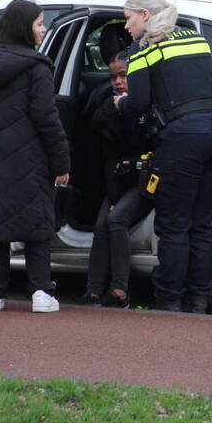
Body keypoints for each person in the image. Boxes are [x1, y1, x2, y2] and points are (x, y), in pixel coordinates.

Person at [115, 0, 212, 313]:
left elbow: (138, 103)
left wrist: (120, 103)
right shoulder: (196, 38)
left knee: (173, 224)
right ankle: (198, 300)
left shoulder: (144, 49)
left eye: (127, 18)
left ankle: (169, 302)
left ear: (143, 15)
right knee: (201, 221)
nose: (126, 26)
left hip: (184, 138)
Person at [0, 0, 70, 313]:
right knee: (37, 225)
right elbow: (47, 118)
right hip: (27, 159)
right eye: (38, 23)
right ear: (25, 28)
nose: (43, 29)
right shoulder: (37, 67)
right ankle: (40, 292)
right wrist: (61, 161)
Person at [81, 51, 152, 308]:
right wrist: (113, 196)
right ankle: (94, 290)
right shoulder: (107, 111)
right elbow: (109, 159)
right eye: (113, 77)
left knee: (116, 219)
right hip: (120, 181)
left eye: (124, 75)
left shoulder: (148, 106)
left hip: (146, 179)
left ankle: (120, 290)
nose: (118, 82)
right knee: (102, 224)